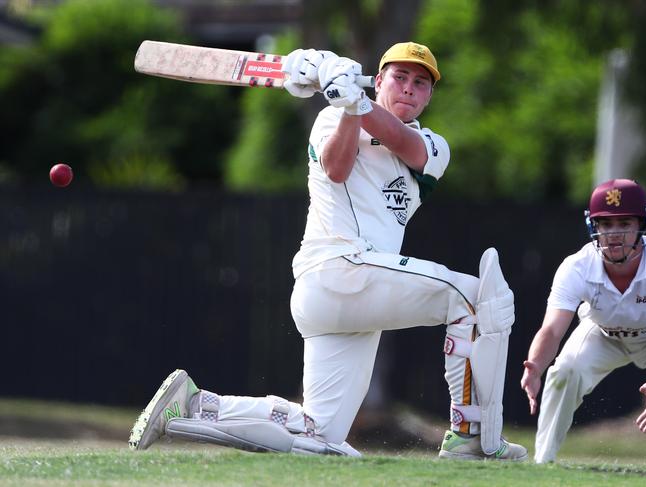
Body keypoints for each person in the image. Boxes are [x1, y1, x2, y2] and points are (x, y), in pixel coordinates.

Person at [128, 41, 526, 461]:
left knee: (321, 437)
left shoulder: (433, 145)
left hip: (355, 293)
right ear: (379, 81)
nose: (409, 88)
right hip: (338, 269)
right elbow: (336, 169)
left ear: (428, 96)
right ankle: (470, 436)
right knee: (474, 296)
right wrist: (347, 104)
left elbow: (403, 143)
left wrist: (354, 99)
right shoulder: (332, 117)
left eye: (420, 83)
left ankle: (194, 404)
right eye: (400, 77)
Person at [521, 178, 646, 463]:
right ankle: (541, 465)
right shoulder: (577, 266)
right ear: (594, 227)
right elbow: (552, 329)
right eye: (605, 224)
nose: (613, 234)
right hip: (604, 333)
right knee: (563, 372)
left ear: (641, 224)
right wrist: (536, 367)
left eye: (624, 223)